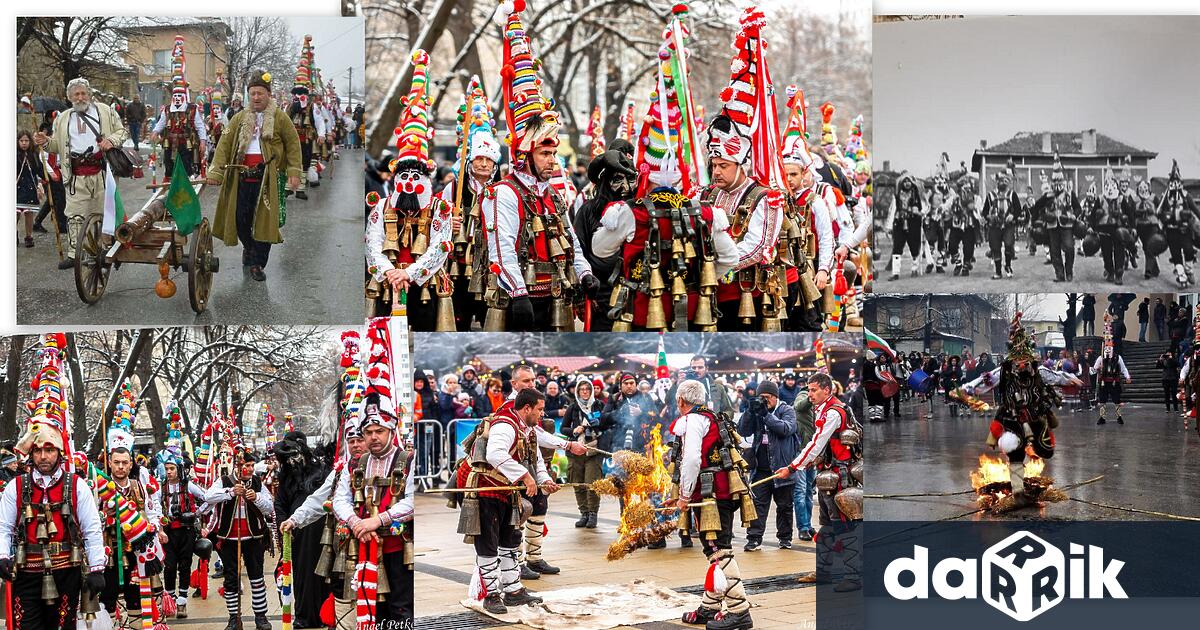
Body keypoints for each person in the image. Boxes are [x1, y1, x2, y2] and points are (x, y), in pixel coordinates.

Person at [482, 6, 598, 331]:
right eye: (544, 153)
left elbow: (570, 239)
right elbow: (501, 244)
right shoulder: (504, 193)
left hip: (554, 296)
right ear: (526, 154)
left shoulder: (553, 195)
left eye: (553, 153)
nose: (552, 160)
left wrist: (585, 273)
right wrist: (518, 292)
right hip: (517, 298)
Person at [365, 51, 457, 326]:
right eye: (403, 175)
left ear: (426, 179)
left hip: (426, 286)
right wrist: (390, 273)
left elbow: (441, 245)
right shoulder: (382, 206)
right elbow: (372, 243)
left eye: (415, 177)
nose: (408, 183)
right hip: (386, 285)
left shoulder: (439, 208)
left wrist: (411, 274)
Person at [0, 401, 106, 630]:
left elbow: (91, 528)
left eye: (49, 450)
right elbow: (3, 527)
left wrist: (97, 568)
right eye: (38, 450)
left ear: (59, 452)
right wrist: (2, 556)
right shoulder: (15, 487)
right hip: (26, 571)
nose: (43, 456)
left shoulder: (77, 486)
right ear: (31, 454)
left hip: (67, 571)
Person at [454, 388, 555, 614]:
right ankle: (490, 595)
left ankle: (513, 590)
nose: (542, 413)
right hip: (484, 487)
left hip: (506, 488)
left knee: (510, 538)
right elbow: (495, 454)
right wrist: (526, 477)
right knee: (488, 543)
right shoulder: (505, 425)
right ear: (527, 408)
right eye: (539, 409)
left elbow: (536, 459)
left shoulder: (527, 429)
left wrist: (545, 479)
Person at [332, 371, 415, 626]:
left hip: (397, 549)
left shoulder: (409, 460)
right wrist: (357, 523)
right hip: (364, 548)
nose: (373, 437)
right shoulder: (356, 463)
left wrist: (377, 521)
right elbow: (339, 500)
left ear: (391, 431)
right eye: (368, 432)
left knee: (400, 610)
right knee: (370, 608)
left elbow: (411, 501)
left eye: (379, 431)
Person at [672, 379, 756, 629]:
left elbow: (691, 461)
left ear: (680, 401)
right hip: (723, 490)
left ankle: (739, 611)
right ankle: (710, 607)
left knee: (719, 550)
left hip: (710, 493)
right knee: (715, 549)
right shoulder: (712, 416)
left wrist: (684, 495)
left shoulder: (691, 420)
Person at [207, 69, 302, 282]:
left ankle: (258, 263)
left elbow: (293, 144)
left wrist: (295, 171)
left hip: (267, 177)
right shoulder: (239, 118)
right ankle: (249, 248)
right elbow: (224, 143)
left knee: (264, 222)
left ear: (268, 94)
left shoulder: (280, 117)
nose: (256, 97)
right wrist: (215, 171)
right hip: (241, 176)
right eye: (253, 93)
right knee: (240, 219)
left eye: (260, 93)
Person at [777, 373, 862, 592]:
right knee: (826, 524)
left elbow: (816, 444)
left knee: (843, 525)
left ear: (827, 390)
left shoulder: (834, 412)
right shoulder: (824, 409)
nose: (810, 394)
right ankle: (823, 571)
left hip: (839, 475)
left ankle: (854, 576)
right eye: (809, 389)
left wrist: (792, 467)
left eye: (814, 390)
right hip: (828, 473)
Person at [280, 417, 368, 630]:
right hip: (346, 543)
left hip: (377, 543)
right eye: (351, 440)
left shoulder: (389, 464)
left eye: (360, 439)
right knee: (343, 591)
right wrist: (294, 519)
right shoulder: (341, 471)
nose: (356, 445)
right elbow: (318, 500)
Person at [33, 77, 128, 270]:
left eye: (83, 93)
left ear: (89, 94)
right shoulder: (63, 118)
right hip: (75, 175)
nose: (80, 97)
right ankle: (74, 254)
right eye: (76, 94)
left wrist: (111, 140)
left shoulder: (105, 111)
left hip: (102, 172)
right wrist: (44, 141)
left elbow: (122, 131)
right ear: (70, 97)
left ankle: (106, 250)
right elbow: (56, 146)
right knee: (75, 216)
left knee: (104, 213)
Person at [438, 81, 500, 331]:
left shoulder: (502, 190)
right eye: (479, 159)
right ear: (470, 161)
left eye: (488, 160)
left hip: (489, 265)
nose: (484, 164)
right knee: (460, 318)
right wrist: (446, 223)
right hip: (460, 265)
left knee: (489, 318)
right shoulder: (454, 188)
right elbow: (435, 221)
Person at [99, 424, 164, 628]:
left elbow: (154, 514)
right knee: (108, 600)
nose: (120, 467)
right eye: (116, 462)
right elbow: (89, 521)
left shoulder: (140, 487)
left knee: (137, 598)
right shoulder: (100, 489)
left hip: (136, 554)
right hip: (110, 555)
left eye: (124, 463)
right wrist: (104, 515)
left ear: (130, 464)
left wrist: (152, 529)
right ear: (109, 462)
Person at [205, 449, 275, 630]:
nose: (251, 469)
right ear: (238, 466)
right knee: (231, 579)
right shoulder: (224, 481)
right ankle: (234, 619)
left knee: (257, 577)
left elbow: (269, 508)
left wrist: (257, 498)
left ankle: (261, 617)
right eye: (247, 466)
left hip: (253, 537)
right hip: (229, 538)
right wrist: (229, 493)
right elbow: (208, 497)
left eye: (252, 465)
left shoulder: (258, 482)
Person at [271, 430, 333, 628]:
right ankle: (304, 616)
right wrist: (284, 523)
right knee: (302, 574)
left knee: (323, 572)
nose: (292, 461)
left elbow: (322, 500)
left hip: (320, 530)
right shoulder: (286, 477)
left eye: (295, 456)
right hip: (296, 531)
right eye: (288, 457)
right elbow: (280, 504)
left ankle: (326, 615)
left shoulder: (321, 470)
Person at [738, 381, 798, 551]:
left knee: (785, 506)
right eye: (761, 398)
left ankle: (785, 538)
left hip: (782, 468)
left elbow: (786, 429)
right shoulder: (757, 410)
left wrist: (766, 415)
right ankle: (754, 538)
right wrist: (750, 411)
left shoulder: (786, 410)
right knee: (758, 505)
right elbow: (743, 431)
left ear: (775, 397)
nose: (764, 401)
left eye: (767, 398)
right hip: (761, 468)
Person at [154, 446, 207, 619]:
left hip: (187, 531)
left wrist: (197, 514)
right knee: (169, 566)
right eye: (167, 469)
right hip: (168, 532)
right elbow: (153, 507)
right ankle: (170, 601)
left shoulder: (188, 485)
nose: (169, 472)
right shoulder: (160, 488)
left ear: (179, 468)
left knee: (185, 565)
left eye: (172, 468)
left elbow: (207, 498)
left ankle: (182, 603)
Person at [150, 37, 208, 180]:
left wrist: (202, 141)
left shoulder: (192, 109)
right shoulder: (168, 110)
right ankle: (169, 189)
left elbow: (200, 127)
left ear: (184, 97)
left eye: (179, 96)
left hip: (186, 143)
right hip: (169, 143)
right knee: (169, 166)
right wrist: (155, 132)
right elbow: (161, 123)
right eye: (175, 96)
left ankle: (186, 187)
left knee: (186, 167)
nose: (176, 99)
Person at [562, 379, 610, 528]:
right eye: (581, 389)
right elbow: (563, 428)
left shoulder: (599, 405)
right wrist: (574, 430)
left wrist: (599, 423)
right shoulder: (573, 407)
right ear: (577, 391)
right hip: (576, 450)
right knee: (578, 484)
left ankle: (593, 514)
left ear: (591, 391)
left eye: (587, 389)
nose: (584, 391)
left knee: (592, 484)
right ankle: (584, 513)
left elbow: (608, 423)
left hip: (594, 450)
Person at [1031, 156, 1081, 283]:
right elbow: (1036, 206)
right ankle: (1059, 274)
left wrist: (1074, 215)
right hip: (1052, 225)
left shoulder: (1070, 194)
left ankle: (1069, 271)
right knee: (1054, 251)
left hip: (1067, 225)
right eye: (1055, 182)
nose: (1057, 185)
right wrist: (1040, 216)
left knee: (1069, 247)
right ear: (1052, 183)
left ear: (1063, 182)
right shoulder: (1048, 196)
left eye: (1060, 182)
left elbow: (1078, 208)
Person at [289, 35, 325, 200]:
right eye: (297, 93)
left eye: (302, 94)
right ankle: (289, 187)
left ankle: (301, 189)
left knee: (304, 163)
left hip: (306, 139)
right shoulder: (290, 107)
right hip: (291, 139)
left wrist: (322, 134)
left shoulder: (313, 107)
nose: (299, 96)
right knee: (290, 163)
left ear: (306, 94)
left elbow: (319, 122)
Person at [1160, 160, 1199, 288]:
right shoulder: (1165, 197)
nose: (1175, 184)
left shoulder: (1186, 196)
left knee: (1188, 250)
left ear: (1181, 183)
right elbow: (1159, 212)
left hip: (1185, 230)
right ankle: (1181, 275)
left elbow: (1195, 209)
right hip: (1171, 230)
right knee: (1175, 253)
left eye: (1177, 182)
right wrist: (1163, 220)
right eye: (1173, 182)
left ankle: (1188, 270)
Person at [984, 166, 1022, 279]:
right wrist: (989, 217)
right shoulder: (991, 196)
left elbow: (1019, 210)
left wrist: (1013, 215)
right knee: (995, 247)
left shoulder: (1012, 194)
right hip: (994, 226)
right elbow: (984, 211)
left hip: (1008, 225)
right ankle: (998, 272)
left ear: (1008, 182)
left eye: (1005, 181)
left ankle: (1008, 265)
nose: (1003, 183)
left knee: (1009, 245)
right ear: (997, 182)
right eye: (1000, 181)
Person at [1094, 316, 1132, 426]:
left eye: (1110, 348)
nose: (1108, 349)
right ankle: (1102, 417)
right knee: (1102, 401)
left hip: (1114, 381)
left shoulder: (1117, 357)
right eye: (1106, 347)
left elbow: (1123, 368)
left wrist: (1127, 377)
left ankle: (1119, 416)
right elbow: (1094, 368)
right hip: (1104, 381)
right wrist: (1096, 369)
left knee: (1117, 400)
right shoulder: (1101, 358)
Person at [17, 130, 44, 248]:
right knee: (15, 214)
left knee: (29, 213)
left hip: (30, 188)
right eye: (21, 141)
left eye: (26, 141)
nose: (24, 143)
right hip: (16, 188)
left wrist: (46, 176)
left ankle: (29, 236)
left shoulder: (34, 154)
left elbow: (39, 169)